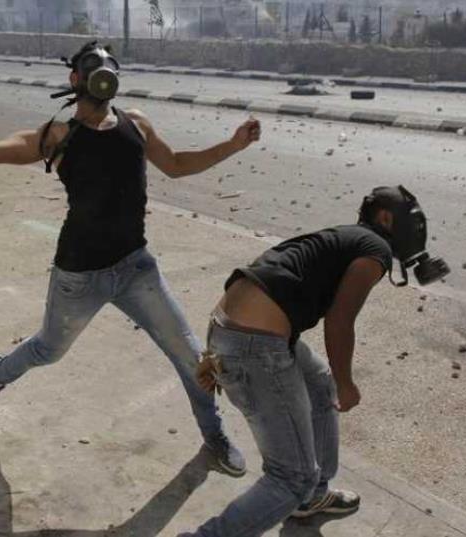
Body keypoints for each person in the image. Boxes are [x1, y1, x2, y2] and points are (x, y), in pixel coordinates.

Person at [0, 41, 262, 477]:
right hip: (79, 276)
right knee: (48, 350)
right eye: (93, 66)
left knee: (191, 355)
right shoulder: (58, 135)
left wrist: (233, 145)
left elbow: (178, 165)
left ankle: (213, 434)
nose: (103, 72)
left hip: (135, 267)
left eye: (109, 65)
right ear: (76, 78)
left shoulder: (136, 124)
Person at [187, 186, 449, 536]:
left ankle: (313, 497)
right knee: (291, 478)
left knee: (317, 382)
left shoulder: (349, 237)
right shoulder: (376, 250)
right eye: (414, 224)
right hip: (254, 345)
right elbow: (340, 320)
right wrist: (347, 382)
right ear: (386, 218)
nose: (418, 234)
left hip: (233, 330)